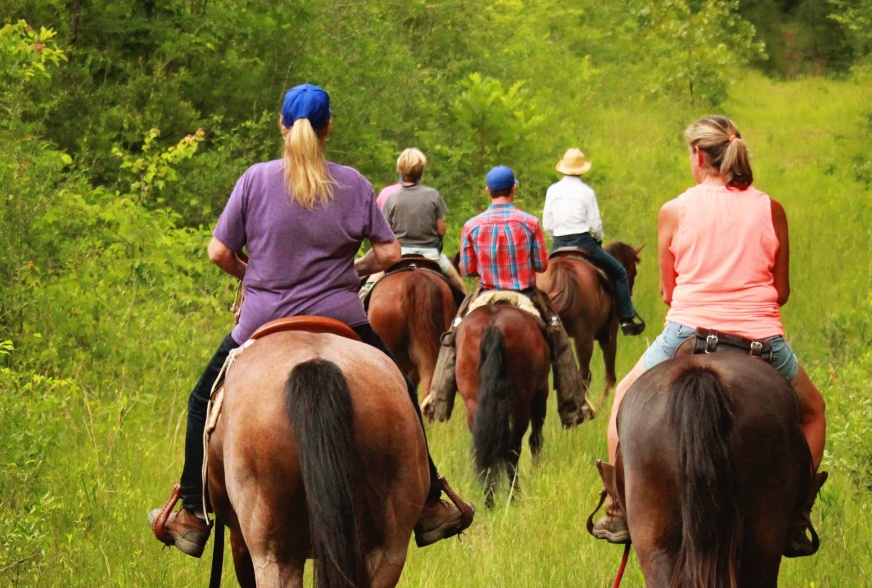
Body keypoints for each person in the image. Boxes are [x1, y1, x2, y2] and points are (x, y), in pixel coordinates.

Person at [149, 83, 473, 556]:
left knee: (201, 399)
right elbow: (389, 252)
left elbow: (218, 251)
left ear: (282, 125)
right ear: (328, 128)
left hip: (262, 318)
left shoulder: (254, 180)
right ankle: (427, 505)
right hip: (341, 316)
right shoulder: (354, 183)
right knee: (401, 390)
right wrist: (356, 269)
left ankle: (193, 514)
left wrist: (251, 274)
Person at [591, 115, 826, 556]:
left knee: (622, 401)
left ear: (698, 155)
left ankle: (620, 507)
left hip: (686, 333)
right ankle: (797, 513)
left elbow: (667, 291)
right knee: (814, 413)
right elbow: (782, 291)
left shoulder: (674, 211)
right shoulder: (771, 208)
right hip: (761, 340)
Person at [423, 165, 590, 428]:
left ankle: (438, 400)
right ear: (513, 189)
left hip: (485, 294)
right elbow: (542, 266)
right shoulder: (530, 223)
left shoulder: (472, 225)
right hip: (523, 294)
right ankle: (573, 405)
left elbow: (468, 269)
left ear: (488, 191)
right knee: (558, 338)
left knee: (453, 336)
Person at [543, 148, 645, 335]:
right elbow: (595, 224)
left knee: (539, 277)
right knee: (620, 272)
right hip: (583, 242)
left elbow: (547, 223)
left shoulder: (552, 190)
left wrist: (556, 237)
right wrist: (598, 240)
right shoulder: (587, 192)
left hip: (558, 244)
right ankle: (625, 318)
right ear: (582, 169)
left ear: (563, 168)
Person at [378, 148, 465, 295]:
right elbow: (441, 230)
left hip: (399, 255)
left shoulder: (391, 198)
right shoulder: (433, 195)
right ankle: (462, 315)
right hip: (431, 255)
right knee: (460, 288)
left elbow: (385, 231)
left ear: (400, 170)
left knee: (369, 286)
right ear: (421, 171)